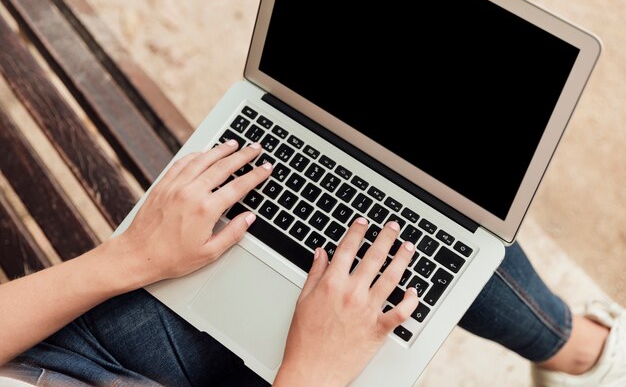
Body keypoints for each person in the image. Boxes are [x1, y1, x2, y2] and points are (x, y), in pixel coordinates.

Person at [0, 141, 623, 387]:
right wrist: (313, 372)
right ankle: (582, 354)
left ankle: (569, 349)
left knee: (379, 172)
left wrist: (124, 259)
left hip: (58, 359)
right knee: (408, 238)